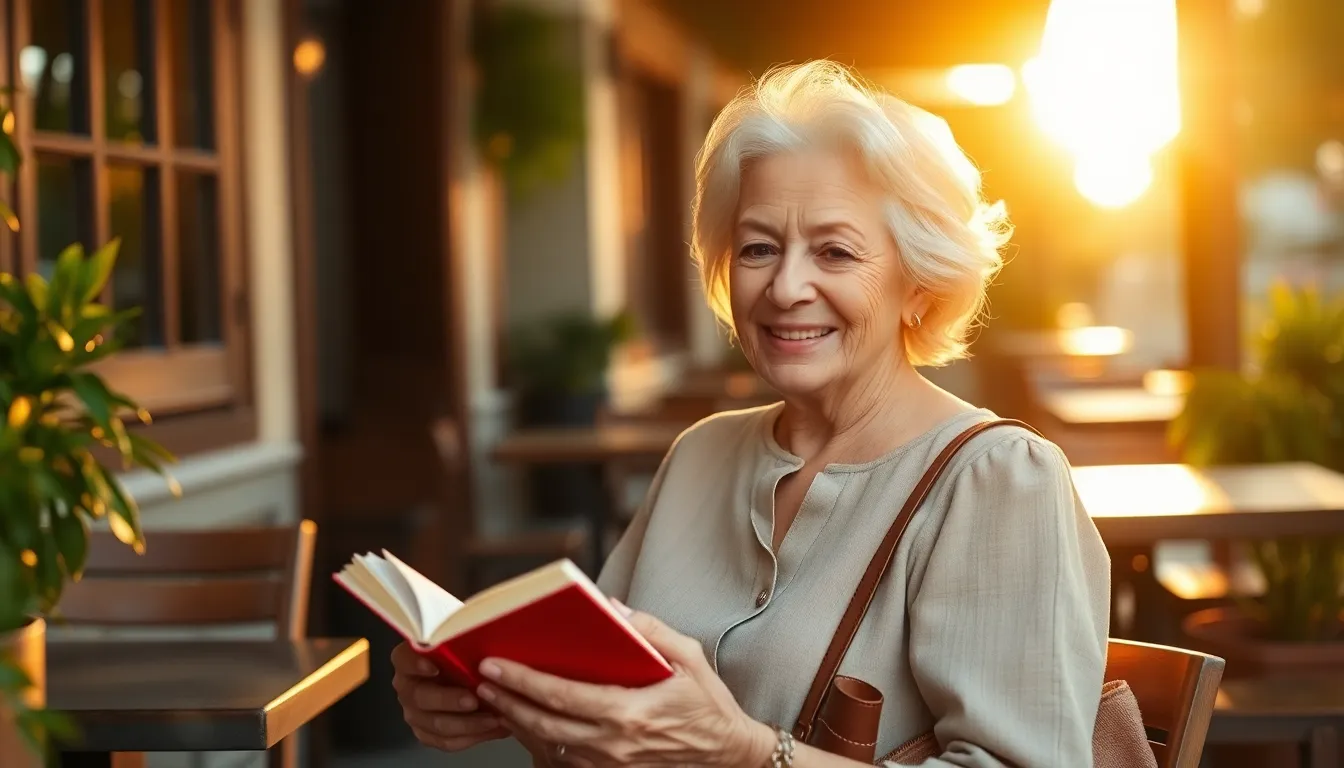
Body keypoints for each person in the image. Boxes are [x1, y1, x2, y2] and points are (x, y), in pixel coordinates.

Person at [392, 59, 1110, 767]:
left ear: (920, 283)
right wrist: (504, 700)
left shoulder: (999, 481)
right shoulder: (699, 455)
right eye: (759, 248)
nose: (786, 286)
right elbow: (604, 726)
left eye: (834, 252)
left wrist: (743, 752)